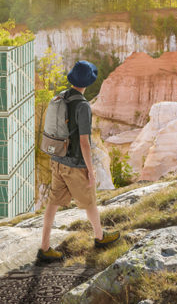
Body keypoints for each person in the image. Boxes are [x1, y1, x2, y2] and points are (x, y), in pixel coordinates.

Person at [37, 60, 120, 263]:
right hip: (74, 164)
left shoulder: (61, 97)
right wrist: (90, 171)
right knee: (89, 202)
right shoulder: (82, 106)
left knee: (53, 203)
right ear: (88, 82)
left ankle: (45, 247)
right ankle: (100, 237)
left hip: (57, 159)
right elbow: (84, 142)